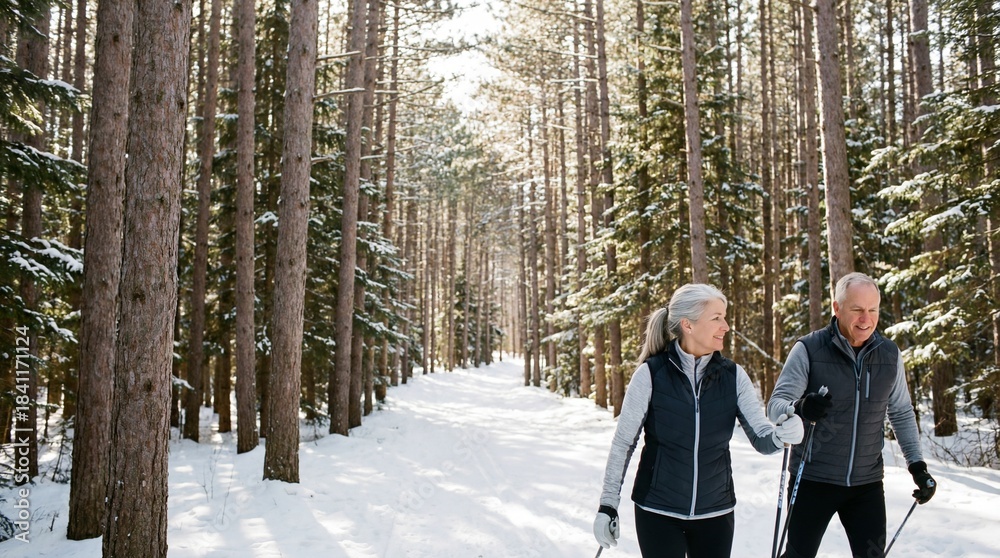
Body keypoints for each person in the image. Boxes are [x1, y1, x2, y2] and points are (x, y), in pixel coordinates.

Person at [594, 283, 804, 558]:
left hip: (715, 513)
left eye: (724, 317)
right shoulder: (651, 374)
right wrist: (607, 505)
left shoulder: (733, 376)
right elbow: (623, 444)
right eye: (716, 318)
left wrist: (782, 435)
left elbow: (762, 437)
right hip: (657, 511)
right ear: (688, 325)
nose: (726, 326)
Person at [766, 272, 936, 558]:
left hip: (866, 485)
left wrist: (917, 467)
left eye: (872, 310)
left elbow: (902, 412)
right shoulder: (809, 349)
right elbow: (776, 405)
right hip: (812, 479)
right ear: (837, 308)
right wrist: (800, 406)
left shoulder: (889, 355)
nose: (865, 319)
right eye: (857, 309)